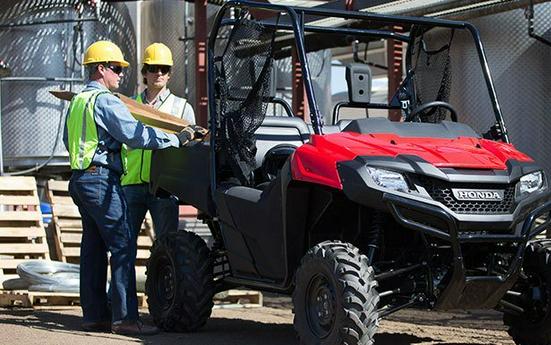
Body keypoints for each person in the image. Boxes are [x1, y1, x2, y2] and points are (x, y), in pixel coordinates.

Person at [63, 40, 200, 335]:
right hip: (102, 180)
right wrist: (175, 139)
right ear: (100, 69)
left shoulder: (77, 101)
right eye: (116, 68)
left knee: (93, 247)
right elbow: (135, 134)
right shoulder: (107, 100)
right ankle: (126, 319)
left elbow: (69, 140)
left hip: (79, 180)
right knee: (123, 246)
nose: (120, 74)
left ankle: (95, 316)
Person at [121, 43, 194, 245]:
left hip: (165, 187)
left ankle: (160, 278)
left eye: (164, 69)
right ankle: (122, 279)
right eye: (153, 68)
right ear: (145, 72)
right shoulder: (130, 105)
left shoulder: (182, 107)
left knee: (167, 245)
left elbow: (191, 149)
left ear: (169, 74)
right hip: (132, 184)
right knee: (123, 246)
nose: (159, 73)